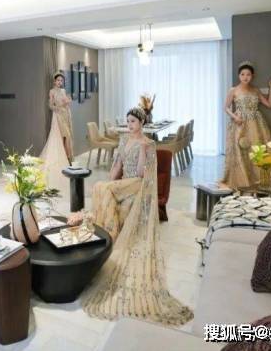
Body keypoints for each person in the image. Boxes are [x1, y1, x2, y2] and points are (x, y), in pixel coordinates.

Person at [82, 107, 193, 325]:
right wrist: (110, 183)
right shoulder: (124, 140)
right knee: (100, 187)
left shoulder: (148, 144)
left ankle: (110, 234)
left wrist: (142, 150)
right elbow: (117, 165)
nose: (129, 124)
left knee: (102, 188)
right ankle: (107, 231)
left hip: (137, 184)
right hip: (124, 182)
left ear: (142, 122)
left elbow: (143, 173)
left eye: (133, 121)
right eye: (128, 121)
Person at [220, 61, 271, 197]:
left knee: (258, 150)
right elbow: (226, 107)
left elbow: (269, 104)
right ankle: (243, 180)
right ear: (239, 75)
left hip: (256, 124)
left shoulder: (255, 90)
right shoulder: (233, 90)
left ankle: (259, 181)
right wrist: (235, 117)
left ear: (252, 76)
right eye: (242, 74)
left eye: (248, 75)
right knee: (241, 150)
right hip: (240, 124)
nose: (245, 77)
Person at [39, 72, 74, 192]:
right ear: (54, 81)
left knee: (67, 138)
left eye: (61, 80)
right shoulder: (52, 91)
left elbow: (66, 104)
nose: (60, 82)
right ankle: (60, 160)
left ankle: (67, 159)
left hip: (65, 115)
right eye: (58, 80)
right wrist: (60, 106)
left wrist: (67, 103)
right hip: (58, 116)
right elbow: (50, 105)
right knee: (61, 137)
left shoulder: (63, 91)